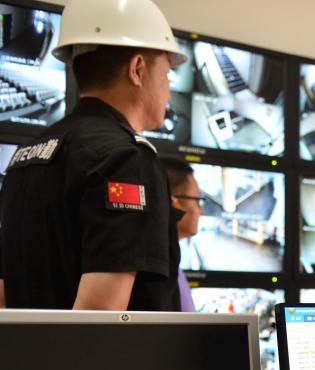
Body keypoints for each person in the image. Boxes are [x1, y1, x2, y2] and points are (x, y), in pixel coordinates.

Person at [0, 0, 188, 311]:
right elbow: (100, 318)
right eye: (167, 74)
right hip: (110, 361)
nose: (168, 90)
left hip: (30, 359)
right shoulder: (127, 160)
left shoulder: (25, 157)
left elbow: (5, 296)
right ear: (138, 69)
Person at [162, 158, 204, 311]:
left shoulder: (172, 264)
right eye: (198, 201)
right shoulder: (160, 273)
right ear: (174, 203)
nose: (201, 211)